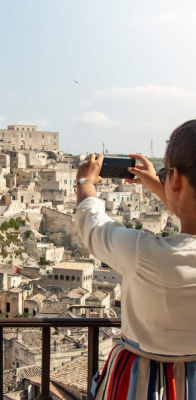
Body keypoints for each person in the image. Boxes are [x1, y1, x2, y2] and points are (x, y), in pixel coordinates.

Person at [75, 120, 196, 399]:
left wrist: (86, 182)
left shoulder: (145, 252)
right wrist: (159, 186)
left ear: (175, 179)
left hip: (142, 380)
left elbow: (92, 225)